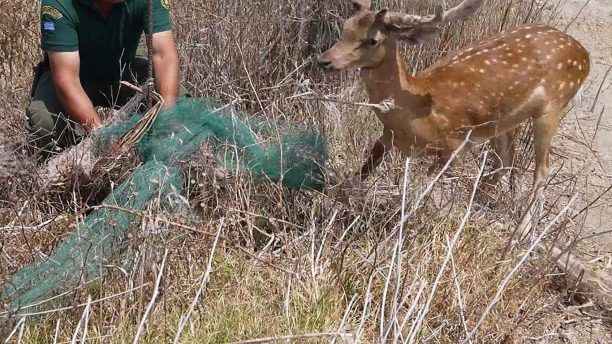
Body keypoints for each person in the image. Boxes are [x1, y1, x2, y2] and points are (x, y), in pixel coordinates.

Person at [27, 0, 187, 160]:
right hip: (77, 77)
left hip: (123, 67)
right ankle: (76, 157)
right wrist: (102, 135)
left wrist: (167, 117)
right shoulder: (58, 4)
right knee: (45, 124)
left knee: (179, 102)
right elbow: (66, 80)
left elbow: (164, 55)